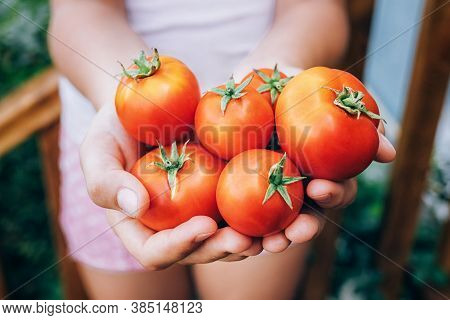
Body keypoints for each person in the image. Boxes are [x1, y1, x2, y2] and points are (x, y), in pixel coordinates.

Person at [48, 0, 396, 299]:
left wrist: (275, 80)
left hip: (272, 143)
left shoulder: (279, 171)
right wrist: (120, 93)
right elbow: (78, 10)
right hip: (119, 154)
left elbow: (316, 6)